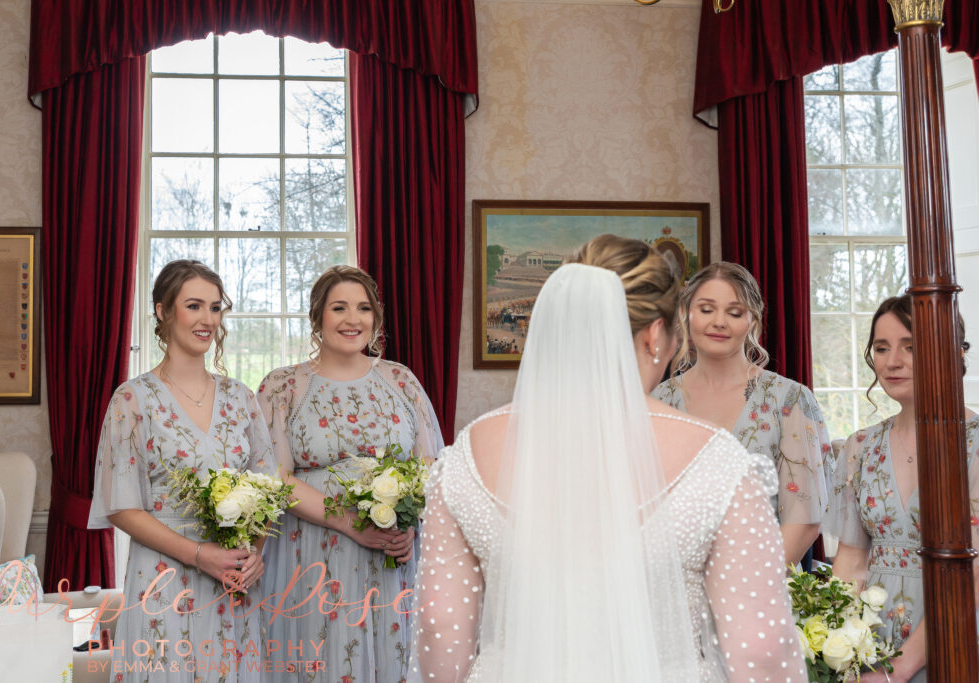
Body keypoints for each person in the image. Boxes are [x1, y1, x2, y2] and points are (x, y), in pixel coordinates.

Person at [411, 235, 806, 682]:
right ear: (657, 334)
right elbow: (761, 650)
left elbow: (439, 624)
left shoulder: (470, 448)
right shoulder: (718, 461)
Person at [88, 260, 277, 682]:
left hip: (232, 580)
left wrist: (255, 556)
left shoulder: (240, 397)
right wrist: (198, 555)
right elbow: (121, 507)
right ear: (162, 311)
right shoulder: (132, 400)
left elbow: (269, 491)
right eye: (194, 306)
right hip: (162, 578)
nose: (207, 319)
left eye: (215, 308)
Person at [257, 265, 444, 682]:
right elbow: (276, 476)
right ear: (318, 317)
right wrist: (347, 522)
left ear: (375, 318)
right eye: (339, 307)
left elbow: (428, 466)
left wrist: (409, 525)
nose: (352, 319)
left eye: (363, 308)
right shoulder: (282, 386)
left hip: (390, 556)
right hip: (310, 553)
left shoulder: (401, 380)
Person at [824, 294, 979, 682]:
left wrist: (903, 665)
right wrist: (839, 647)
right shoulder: (860, 447)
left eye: (911, 346)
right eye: (881, 347)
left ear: (951, 351)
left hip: (959, 636)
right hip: (873, 644)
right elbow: (851, 564)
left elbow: (974, 573)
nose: (892, 361)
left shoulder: (976, 444)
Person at [652, 262, 831, 566]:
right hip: (676, 588)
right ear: (686, 314)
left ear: (752, 320)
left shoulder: (790, 400)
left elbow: (804, 520)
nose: (719, 322)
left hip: (763, 584)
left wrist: (749, 589)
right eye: (707, 309)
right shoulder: (660, 401)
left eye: (734, 313)